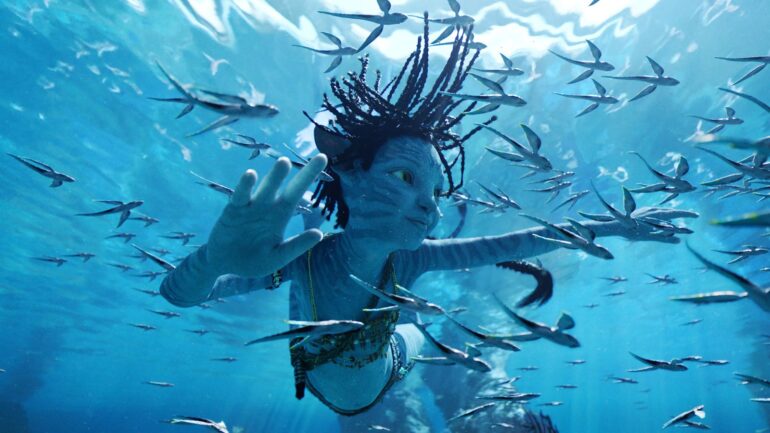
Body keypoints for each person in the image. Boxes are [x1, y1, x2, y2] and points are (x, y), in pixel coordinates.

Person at [160, 19, 690, 415]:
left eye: (437, 191)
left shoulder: (413, 260)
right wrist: (211, 261)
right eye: (407, 179)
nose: (431, 207)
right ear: (350, 173)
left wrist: (613, 225)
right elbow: (178, 296)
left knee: (416, 341)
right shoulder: (304, 258)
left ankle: (435, 336)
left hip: (391, 357)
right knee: (413, 341)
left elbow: (519, 243)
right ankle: (429, 332)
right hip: (347, 380)